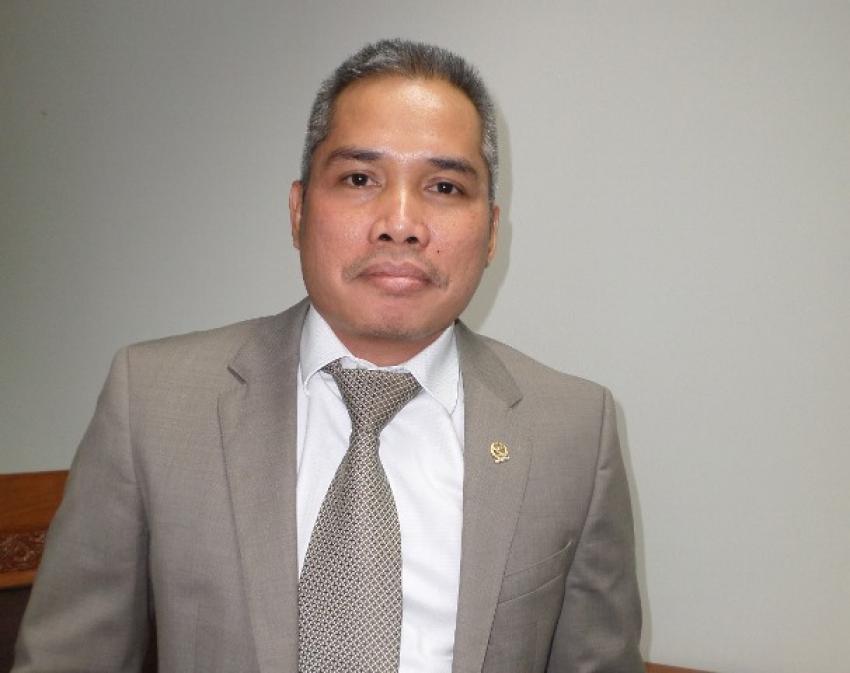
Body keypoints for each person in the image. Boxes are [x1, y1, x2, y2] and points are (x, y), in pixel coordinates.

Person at [13, 39, 642, 672]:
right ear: (298, 210)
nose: (401, 223)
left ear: (491, 234)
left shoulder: (573, 431)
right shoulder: (152, 402)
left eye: (445, 186)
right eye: (360, 179)